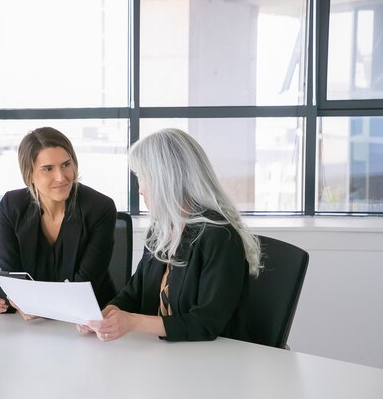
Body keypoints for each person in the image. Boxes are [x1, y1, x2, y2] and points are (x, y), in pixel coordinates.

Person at [78, 128, 262, 342]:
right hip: (165, 356)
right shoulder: (161, 230)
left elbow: (205, 323)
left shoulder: (220, 237)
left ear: (166, 180)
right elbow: (133, 294)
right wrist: (104, 316)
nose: (140, 190)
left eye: (142, 178)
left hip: (211, 362)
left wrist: (133, 322)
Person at [0, 127, 118, 318]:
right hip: (35, 326)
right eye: (48, 168)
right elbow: (11, 277)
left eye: (66, 165)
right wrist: (0, 300)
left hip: (93, 322)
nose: (61, 177)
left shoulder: (100, 208)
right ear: (29, 174)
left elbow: (83, 288)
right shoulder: (11, 206)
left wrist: (36, 306)